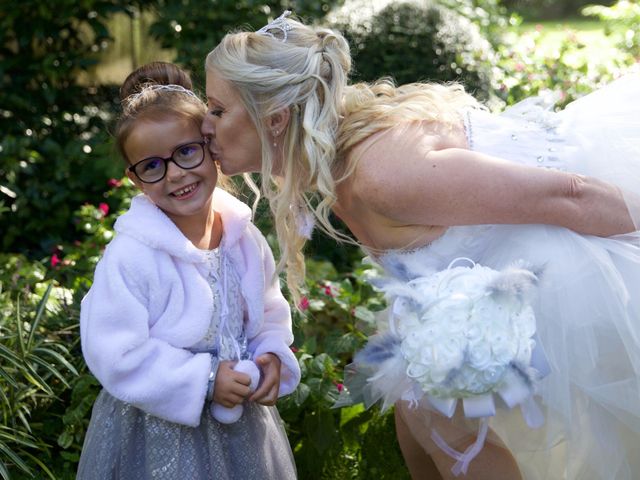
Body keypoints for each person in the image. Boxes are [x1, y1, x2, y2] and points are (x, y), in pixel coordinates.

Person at [201, 11, 640, 480]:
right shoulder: (340, 165)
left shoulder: (382, 174)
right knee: (419, 415)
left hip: (584, 263)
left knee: (435, 419)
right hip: (509, 286)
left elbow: (572, 194)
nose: (204, 125)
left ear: (275, 119)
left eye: (217, 109)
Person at [77, 61, 300, 479]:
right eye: (152, 165)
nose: (175, 173)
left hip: (243, 428)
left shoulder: (242, 238)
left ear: (211, 147)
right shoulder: (132, 255)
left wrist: (271, 352)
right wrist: (205, 378)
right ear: (135, 179)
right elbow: (116, 351)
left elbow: (270, 307)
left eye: (186, 151)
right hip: (157, 433)